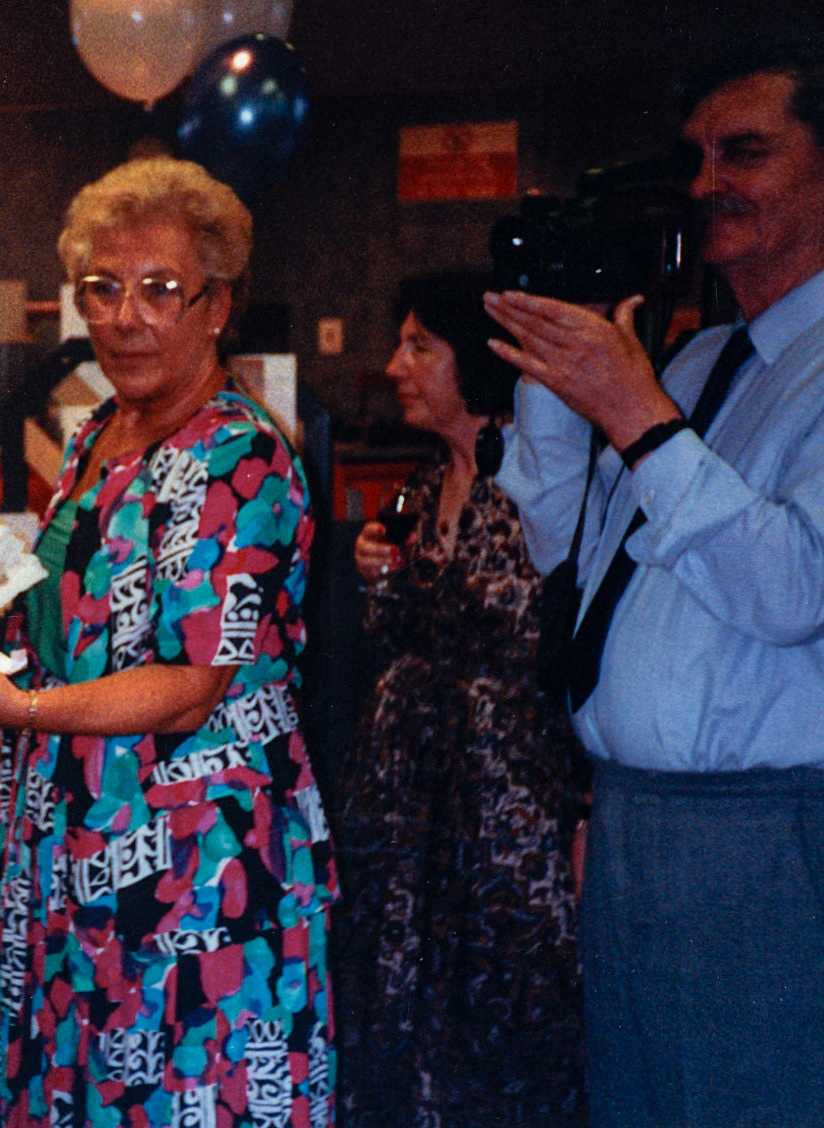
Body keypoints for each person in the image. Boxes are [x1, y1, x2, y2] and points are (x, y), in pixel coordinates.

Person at [0, 156, 337, 1128]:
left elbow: (191, 683)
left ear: (217, 305)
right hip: (77, 829)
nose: (125, 317)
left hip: (194, 852)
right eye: (102, 289)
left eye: (159, 289)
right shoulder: (97, 432)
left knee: (180, 1091)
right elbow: (77, 625)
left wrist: (21, 707)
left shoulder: (239, 453)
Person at [486, 38, 824, 1128]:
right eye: (695, 157)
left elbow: (791, 590)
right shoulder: (691, 365)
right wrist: (559, 375)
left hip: (763, 833)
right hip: (634, 817)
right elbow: (566, 556)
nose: (705, 183)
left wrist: (634, 413)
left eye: (745, 152)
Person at [334, 275, 588, 1128]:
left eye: (420, 347)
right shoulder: (420, 482)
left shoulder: (543, 477)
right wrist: (378, 572)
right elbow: (396, 631)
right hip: (409, 810)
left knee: (505, 1006)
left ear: (474, 360)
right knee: (400, 1005)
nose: (394, 366)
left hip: (506, 806)